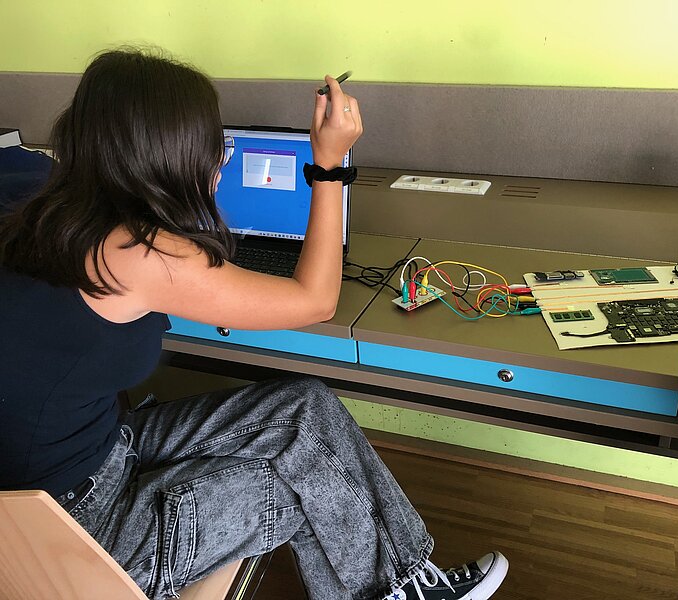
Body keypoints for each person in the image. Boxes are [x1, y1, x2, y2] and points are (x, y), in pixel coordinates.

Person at [0, 48, 509, 600]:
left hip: (86, 455)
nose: (219, 163)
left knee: (305, 409)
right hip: (70, 527)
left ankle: (402, 583)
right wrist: (330, 164)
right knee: (309, 486)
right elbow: (315, 300)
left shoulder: (38, 198)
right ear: (166, 156)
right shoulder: (140, 253)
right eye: (212, 148)